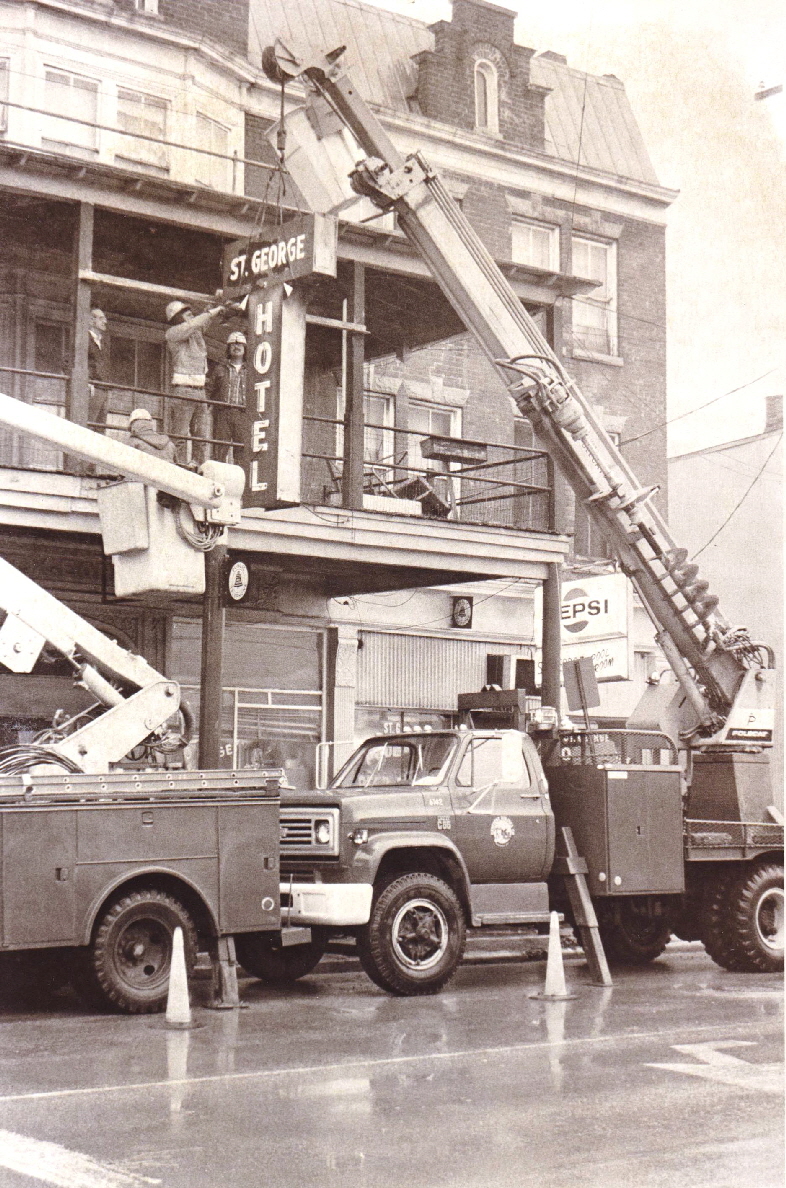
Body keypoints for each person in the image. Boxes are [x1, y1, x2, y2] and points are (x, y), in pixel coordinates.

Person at [164, 299, 229, 466]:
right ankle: (176, 469)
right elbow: (195, 323)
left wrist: (213, 307)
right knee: (179, 436)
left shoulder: (195, 333)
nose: (192, 317)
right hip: (183, 390)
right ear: (178, 318)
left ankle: (197, 466)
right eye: (188, 314)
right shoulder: (173, 333)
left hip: (200, 391)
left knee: (200, 437)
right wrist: (212, 312)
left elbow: (201, 323)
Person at [208, 331, 247, 463]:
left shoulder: (251, 370)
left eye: (240, 344)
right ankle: (218, 480)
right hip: (223, 413)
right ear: (228, 349)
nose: (236, 347)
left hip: (243, 414)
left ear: (245, 348)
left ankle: (241, 481)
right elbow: (210, 389)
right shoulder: (220, 368)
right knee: (220, 450)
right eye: (233, 345)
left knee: (242, 451)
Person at [87, 307, 109, 433]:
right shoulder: (83, 338)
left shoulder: (103, 343)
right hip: (93, 390)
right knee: (88, 428)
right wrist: (85, 382)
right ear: (91, 320)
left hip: (104, 389)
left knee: (100, 431)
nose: (105, 321)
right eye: (101, 318)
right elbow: (67, 361)